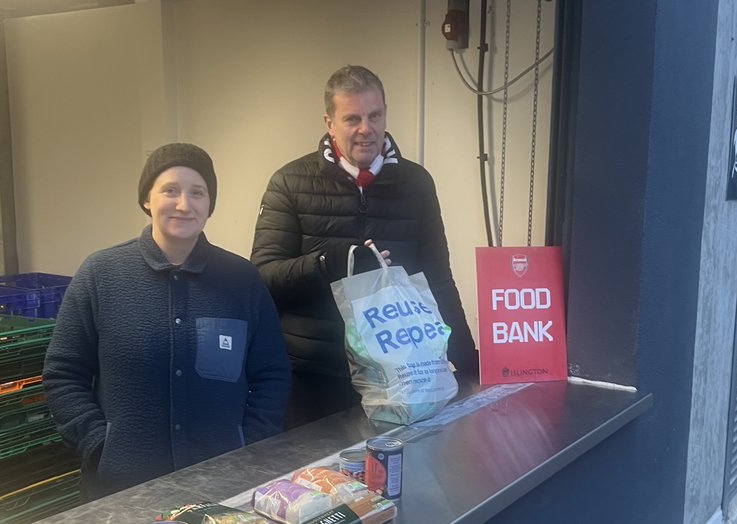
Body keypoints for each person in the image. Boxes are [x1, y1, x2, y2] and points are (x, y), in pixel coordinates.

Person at [44, 143, 291, 498]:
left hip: (221, 485)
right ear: (147, 199)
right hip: (121, 490)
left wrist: (249, 448)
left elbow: (273, 375)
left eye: (197, 193)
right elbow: (63, 373)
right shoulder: (101, 274)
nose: (184, 204)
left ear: (210, 205)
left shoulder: (241, 280)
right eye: (170, 190)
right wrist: (100, 447)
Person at [252, 65, 478, 428]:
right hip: (312, 375)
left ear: (385, 113)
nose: (365, 129)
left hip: (398, 378)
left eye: (375, 115)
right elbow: (263, 278)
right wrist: (326, 265)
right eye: (352, 118)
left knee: (399, 479)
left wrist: (467, 361)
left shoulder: (417, 183)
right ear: (329, 123)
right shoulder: (289, 182)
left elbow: (438, 279)